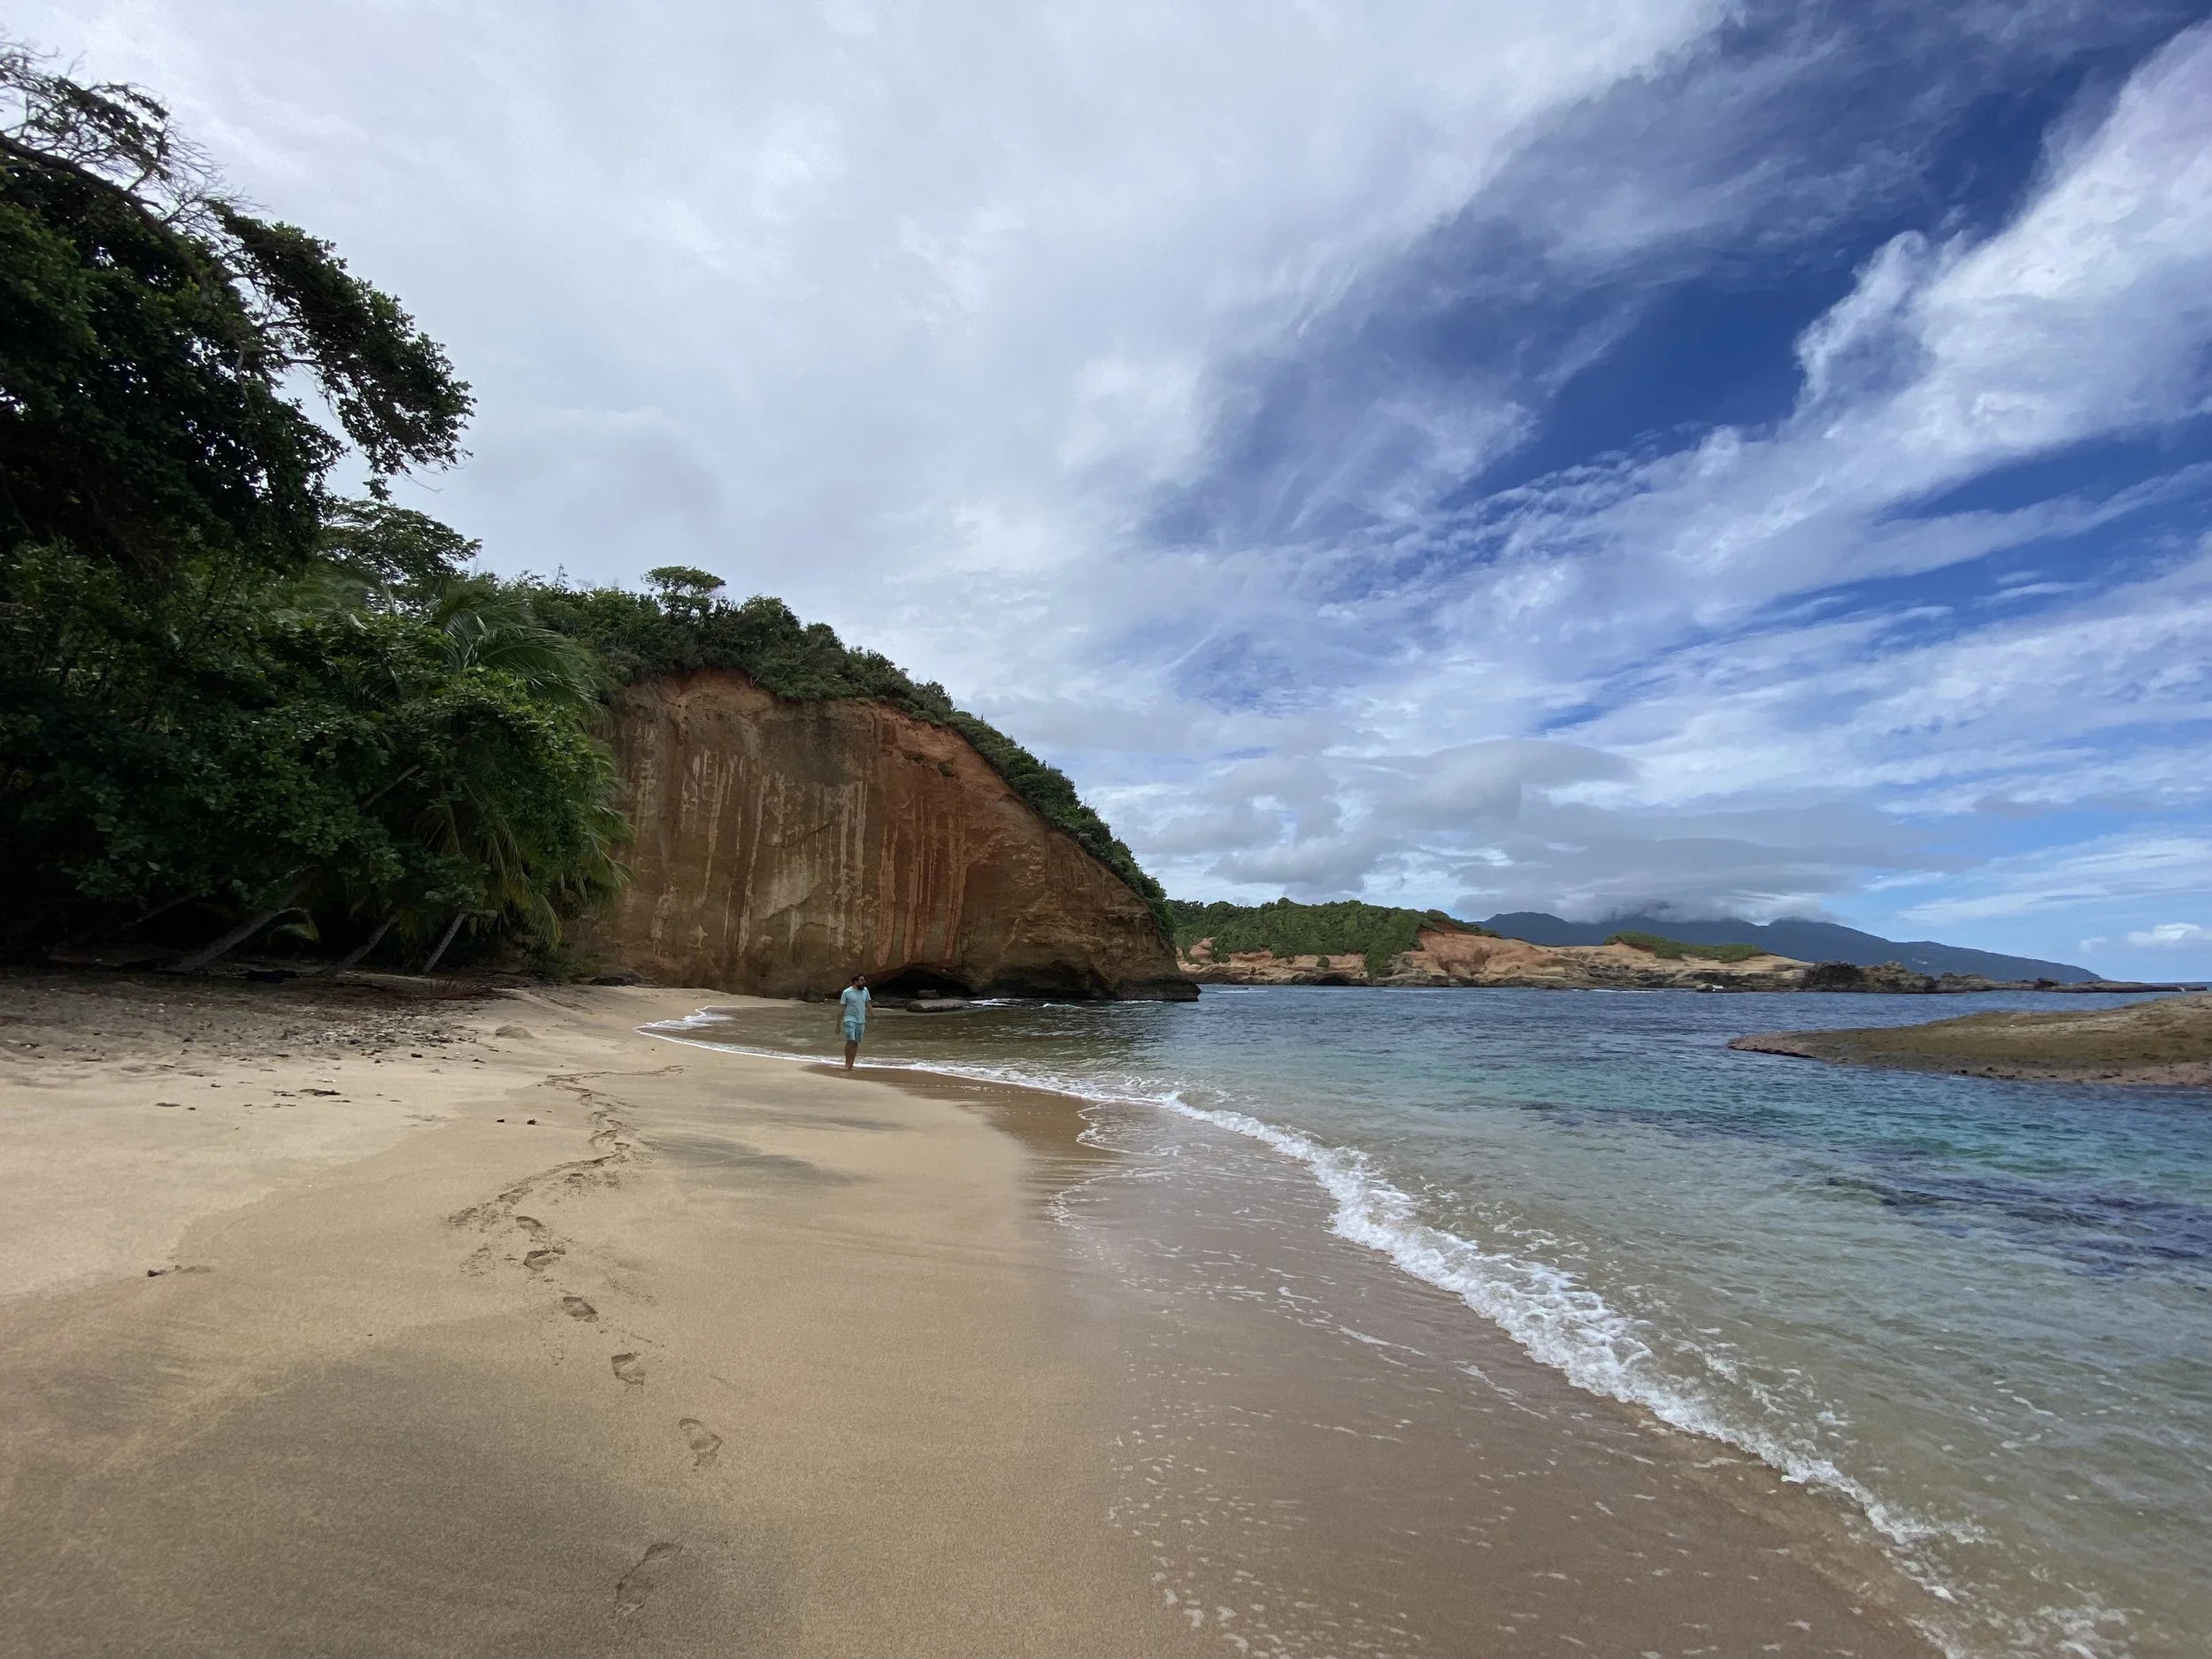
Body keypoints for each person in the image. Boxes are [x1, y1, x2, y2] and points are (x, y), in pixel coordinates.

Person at [837, 973, 871, 1070]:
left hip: (861, 1020)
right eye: (861, 980)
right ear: (855, 982)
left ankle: (851, 1063)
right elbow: (842, 1008)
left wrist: (874, 1015)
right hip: (849, 1018)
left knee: (856, 1042)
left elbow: (868, 1004)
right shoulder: (847, 992)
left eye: (864, 980)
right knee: (850, 1040)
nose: (863, 982)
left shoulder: (865, 991)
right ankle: (847, 1062)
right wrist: (838, 1024)